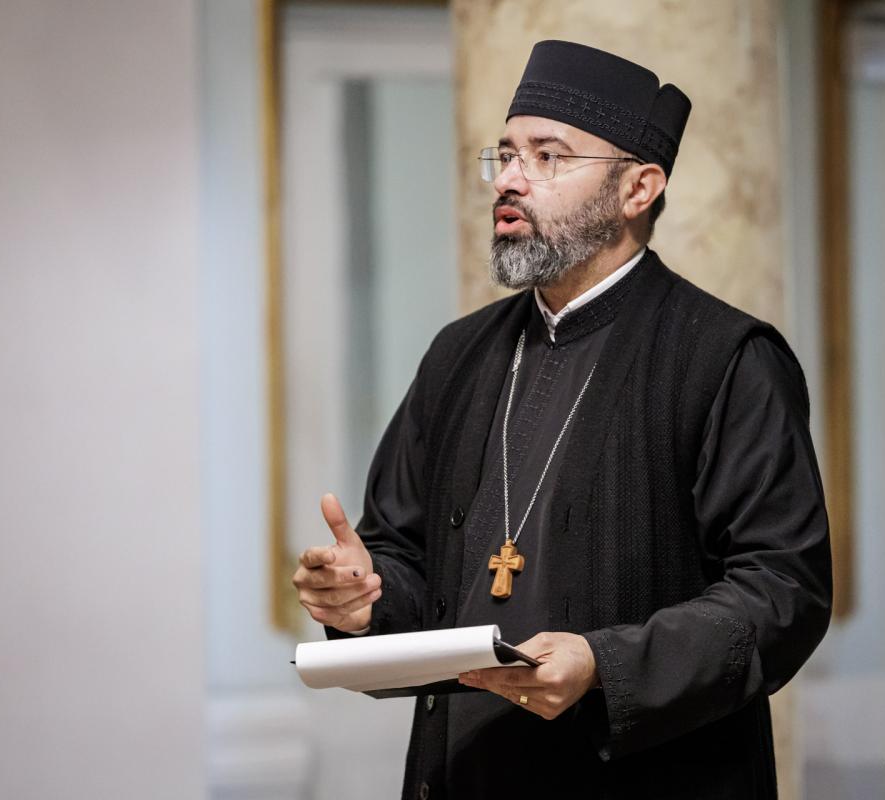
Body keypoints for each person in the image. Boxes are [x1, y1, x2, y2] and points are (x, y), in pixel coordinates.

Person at [291, 39, 832, 800]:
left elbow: (783, 592)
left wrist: (606, 666)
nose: (510, 180)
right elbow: (407, 559)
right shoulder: (459, 355)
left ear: (638, 188)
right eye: (507, 154)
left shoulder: (725, 358)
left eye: (548, 157)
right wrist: (365, 597)